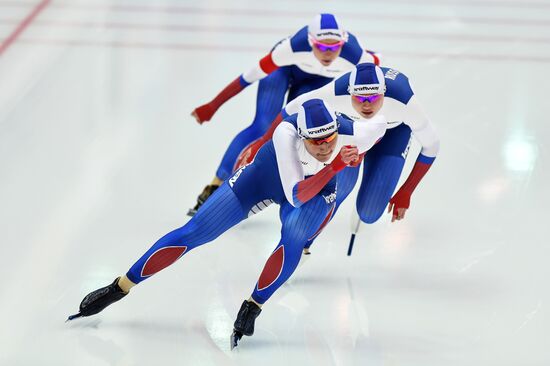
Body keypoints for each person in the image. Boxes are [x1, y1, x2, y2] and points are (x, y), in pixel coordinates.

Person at [68, 99, 387, 349]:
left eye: (330, 138)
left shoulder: (355, 134)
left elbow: (383, 122)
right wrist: (332, 167)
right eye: (316, 141)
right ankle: (119, 287)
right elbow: (296, 194)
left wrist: (355, 158)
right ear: (302, 135)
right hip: (267, 180)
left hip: (320, 190)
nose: (325, 146)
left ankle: (253, 306)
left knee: (292, 239)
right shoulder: (285, 135)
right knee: (193, 233)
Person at [187, 13, 380, 215]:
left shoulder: (356, 55)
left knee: (308, 128)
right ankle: (216, 186)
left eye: (334, 47)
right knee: (263, 126)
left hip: (316, 83)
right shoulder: (291, 48)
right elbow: (247, 78)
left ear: (344, 43)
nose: (327, 53)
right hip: (282, 72)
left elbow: (378, 77)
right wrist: (213, 105)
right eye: (321, 46)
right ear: (309, 41)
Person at [237, 63, 440, 252]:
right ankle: (305, 244)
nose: (367, 105)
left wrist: (407, 190)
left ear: (384, 93)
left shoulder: (404, 102)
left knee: (369, 213)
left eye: (373, 98)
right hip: (354, 133)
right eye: (359, 99)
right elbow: (293, 107)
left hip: (393, 133)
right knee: (339, 188)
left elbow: (432, 146)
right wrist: (262, 140)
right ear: (349, 92)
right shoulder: (335, 92)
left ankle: (371, 181)